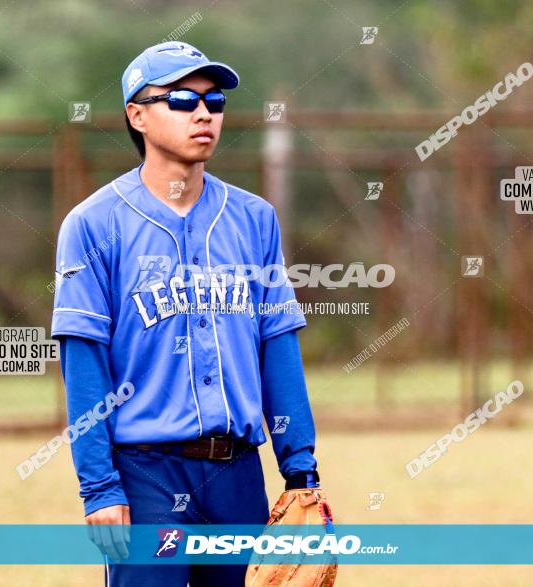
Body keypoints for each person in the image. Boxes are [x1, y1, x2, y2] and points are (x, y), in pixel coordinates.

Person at [51, 41, 322, 586]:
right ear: (137, 115)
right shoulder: (93, 225)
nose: (203, 112)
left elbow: (278, 345)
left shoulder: (254, 219)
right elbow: (85, 363)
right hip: (146, 474)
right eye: (180, 99)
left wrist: (301, 473)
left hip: (238, 476)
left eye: (214, 100)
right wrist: (100, 488)